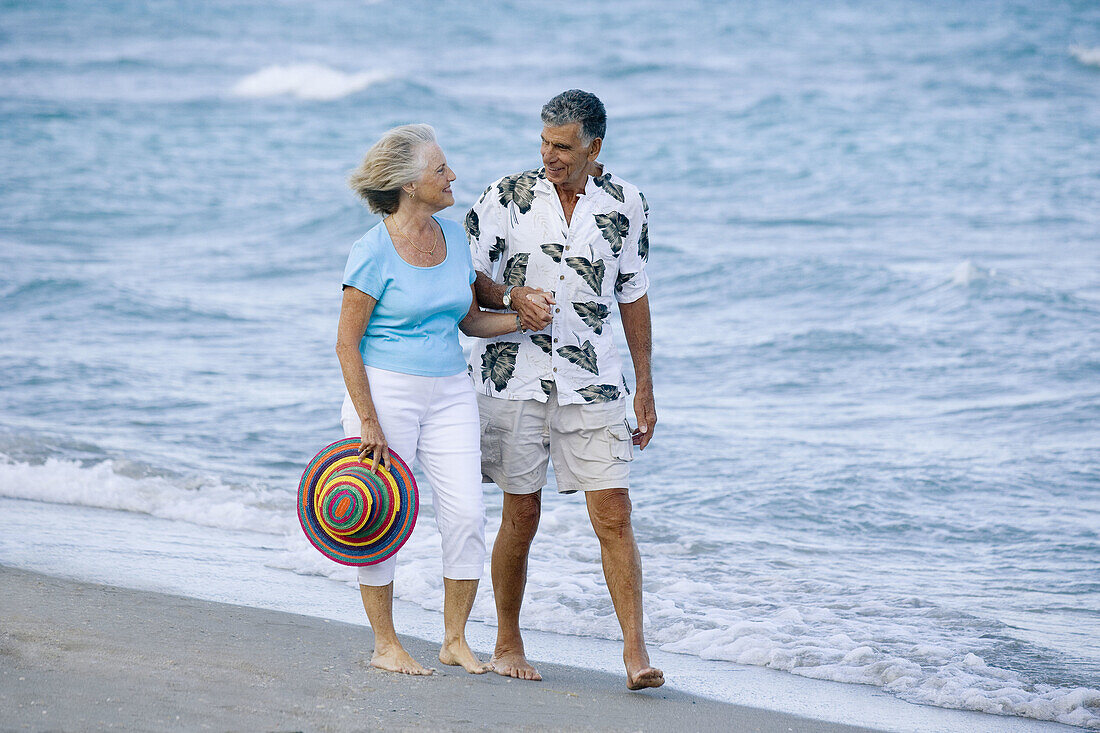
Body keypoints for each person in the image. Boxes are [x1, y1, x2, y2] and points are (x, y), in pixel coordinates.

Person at [465, 90, 664, 690]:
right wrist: (510, 296)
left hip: (595, 377)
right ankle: (507, 641)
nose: (549, 154)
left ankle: (636, 654)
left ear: (593, 147)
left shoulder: (628, 204)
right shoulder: (507, 195)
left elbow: (633, 294)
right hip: (513, 374)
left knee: (614, 513)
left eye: (563, 146)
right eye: (544, 142)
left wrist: (646, 386)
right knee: (520, 511)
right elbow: (465, 279)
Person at [336, 124, 523, 677]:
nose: (452, 176)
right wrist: (368, 420)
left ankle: (454, 640)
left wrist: (525, 320)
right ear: (408, 184)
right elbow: (347, 342)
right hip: (386, 390)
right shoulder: (371, 251)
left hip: (450, 390)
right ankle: (386, 645)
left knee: (466, 512)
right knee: (380, 516)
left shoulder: (454, 238)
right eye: (440, 169)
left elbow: (465, 318)